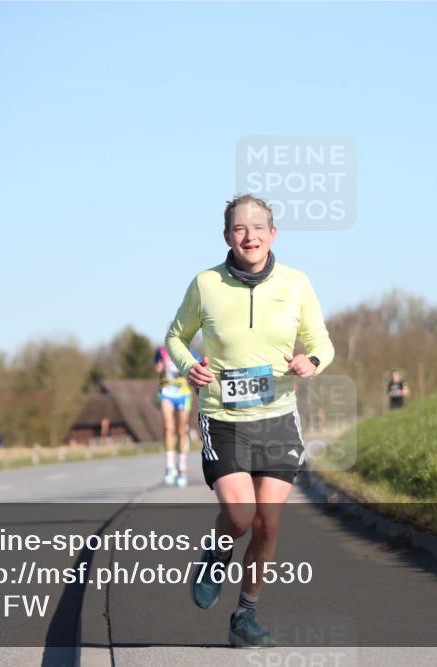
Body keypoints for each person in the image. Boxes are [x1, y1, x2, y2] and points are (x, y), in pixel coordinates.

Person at [165, 193, 334, 648]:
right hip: (223, 417)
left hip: (278, 417)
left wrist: (311, 361)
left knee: (268, 524)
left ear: (273, 234)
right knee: (239, 516)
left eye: (258, 227)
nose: (250, 235)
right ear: (226, 236)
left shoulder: (297, 283)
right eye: (240, 228)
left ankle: (245, 616)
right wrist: (189, 366)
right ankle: (215, 556)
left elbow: (321, 341)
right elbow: (175, 338)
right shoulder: (205, 284)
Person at [154, 344, 201, 487]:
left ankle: (182, 468)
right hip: (167, 392)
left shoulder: (189, 351)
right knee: (168, 427)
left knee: (181, 431)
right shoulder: (161, 351)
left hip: (183, 394)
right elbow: (158, 369)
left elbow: (199, 366)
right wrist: (160, 365)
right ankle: (170, 466)